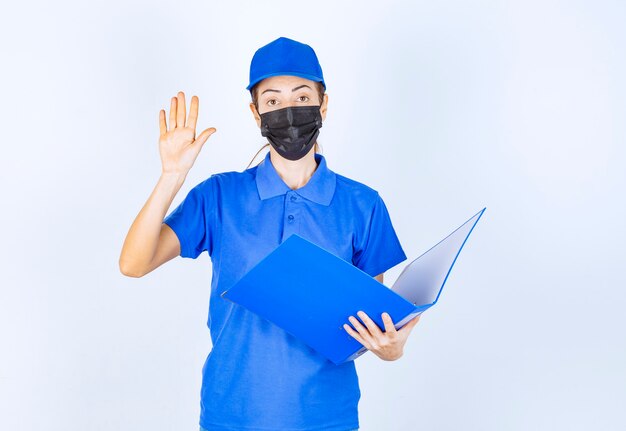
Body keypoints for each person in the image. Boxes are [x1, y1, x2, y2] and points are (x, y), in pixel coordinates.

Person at [119, 36, 421, 431]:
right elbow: (134, 264)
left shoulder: (362, 205)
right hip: (231, 416)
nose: (289, 111)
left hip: (327, 418)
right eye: (273, 101)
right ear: (255, 112)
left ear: (323, 104)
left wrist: (391, 348)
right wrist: (172, 176)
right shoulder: (219, 196)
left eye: (301, 97)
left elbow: (363, 331)